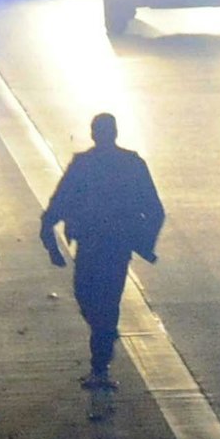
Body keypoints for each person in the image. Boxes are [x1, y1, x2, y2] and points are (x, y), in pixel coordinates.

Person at [40, 113, 166, 389]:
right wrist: (144, 242)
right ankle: (104, 340)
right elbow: (155, 210)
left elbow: (59, 203)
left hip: (94, 245)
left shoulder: (84, 165)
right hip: (116, 246)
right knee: (104, 302)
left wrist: (51, 240)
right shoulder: (131, 164)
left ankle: (101, 362)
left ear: (94, 134)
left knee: (88, 297)